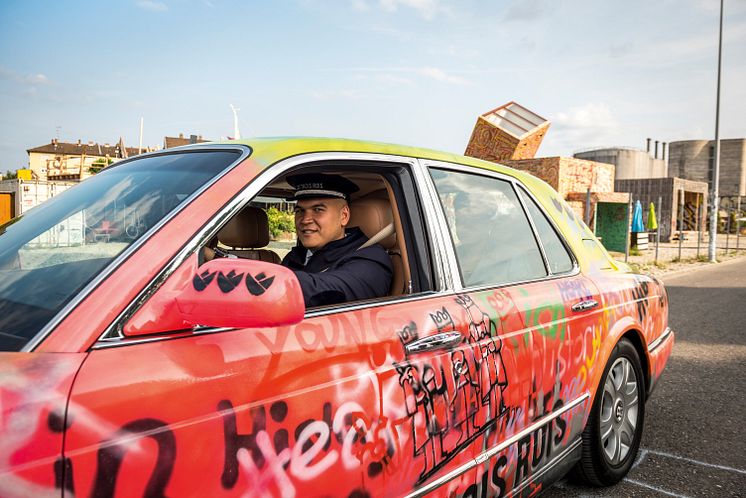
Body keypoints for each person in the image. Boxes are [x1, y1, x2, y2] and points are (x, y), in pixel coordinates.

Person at [281, 173, 393, 307]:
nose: (305, 220)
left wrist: (270, 282)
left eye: (318, 210)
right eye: (300, 211)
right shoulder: (296, 256)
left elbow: (329, 292)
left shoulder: (371, 259)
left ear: (344, 216)